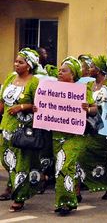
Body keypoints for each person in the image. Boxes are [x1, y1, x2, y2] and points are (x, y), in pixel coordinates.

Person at [34, 56, 97, 216]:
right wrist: (38, 109)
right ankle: (70, 194)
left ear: (73, 74)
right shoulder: (52, 89)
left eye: (64, 70)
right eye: (59, 70)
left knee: (64, 166)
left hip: (74, 136)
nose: (60, 72)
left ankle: (66, 203)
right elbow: (44, 107)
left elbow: (95, 109)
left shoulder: (82, 89)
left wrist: (86, 109)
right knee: (61, 168)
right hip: (57, 136)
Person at [0, 48, 40, 212]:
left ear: (29, 66)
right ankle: (11, 186)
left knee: (21, 164)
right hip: (6, 126)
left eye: (20, 62)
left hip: (23, 131)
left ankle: (19, 198)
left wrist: (22, 107)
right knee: (6, 160)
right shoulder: (10, 77)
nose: (16, 64)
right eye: (16, 61)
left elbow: (39, 106)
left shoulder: (34, 82)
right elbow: (2, 100)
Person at [85, 55, 107, 200]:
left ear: (99, 70)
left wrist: (104, 105)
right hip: (91, 126)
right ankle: (88, 183)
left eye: (92, 67)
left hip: (106, 126)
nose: (89, 69)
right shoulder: (88, 85)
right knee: (86, 155)